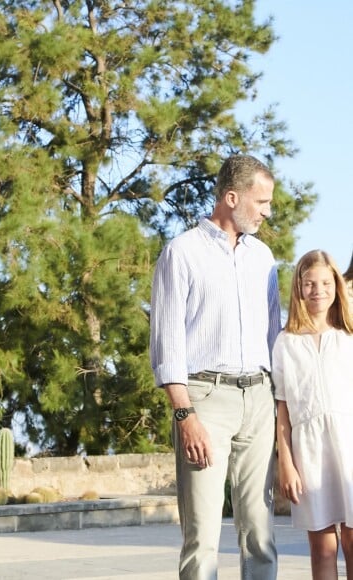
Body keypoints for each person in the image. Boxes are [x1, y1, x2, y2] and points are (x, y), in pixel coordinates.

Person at [150, 154, 282, 580]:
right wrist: (185, 415)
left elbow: (274, 339)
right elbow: (167, 342)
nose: (267, 211)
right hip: (205, 400)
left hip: (259, 398)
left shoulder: (264, 258)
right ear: (231, 197)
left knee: (260, 534)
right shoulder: (181, 253)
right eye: (261, 202)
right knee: (203, 536)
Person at [272, 250, 353, 580]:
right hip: (309, 454)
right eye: (309, 283)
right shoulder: (285, 342)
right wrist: (286, 463)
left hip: (349, 448)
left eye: (324, 282)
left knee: (352, 541)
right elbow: (283, 410)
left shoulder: (348, 338)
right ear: (299, 288)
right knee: (322, 550)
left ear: (336, 285)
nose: (318, 290)